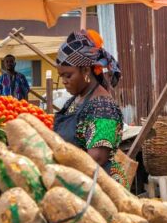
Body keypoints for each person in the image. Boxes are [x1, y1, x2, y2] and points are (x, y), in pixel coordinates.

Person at [53, 30, 128, 187]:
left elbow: (97, 158)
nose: (64, 81)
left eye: (68, 75)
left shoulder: (104, 107)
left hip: (95, 191)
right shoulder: (74, 101)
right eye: (61, 76)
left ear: (86, 70)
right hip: (72, 183)